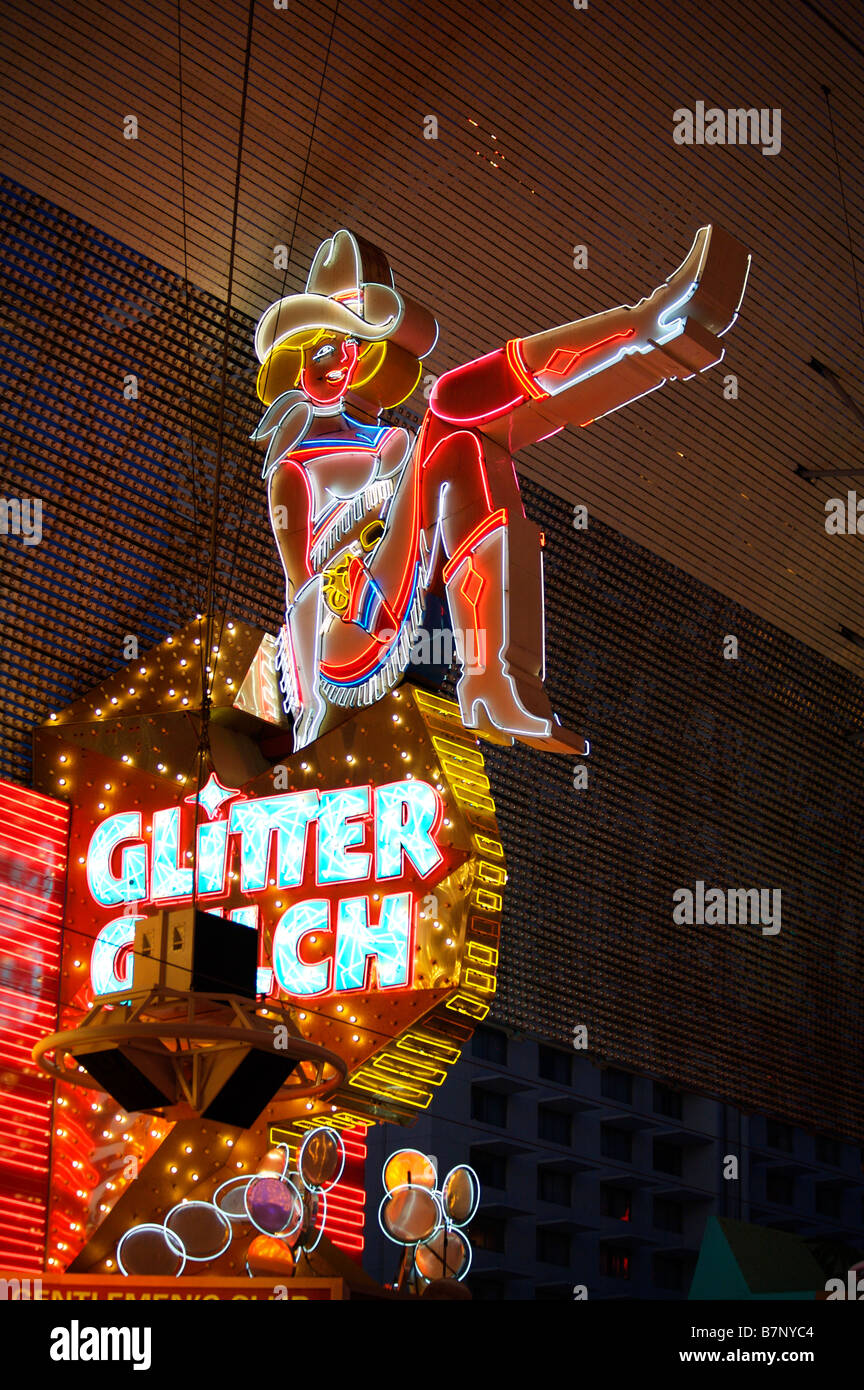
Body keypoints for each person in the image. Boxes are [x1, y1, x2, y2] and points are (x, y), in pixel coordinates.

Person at [252, 226, 749, 753]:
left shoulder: (387, 440)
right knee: (448, 401)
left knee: (465, 446)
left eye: (350, 344)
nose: (338, 360)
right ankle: (646, 326)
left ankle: (494, 681)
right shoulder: (292, 470)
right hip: (345, 631)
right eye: (323, 349)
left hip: (390, 592)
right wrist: (308, 712)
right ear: (298, 362)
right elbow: (299, 590)